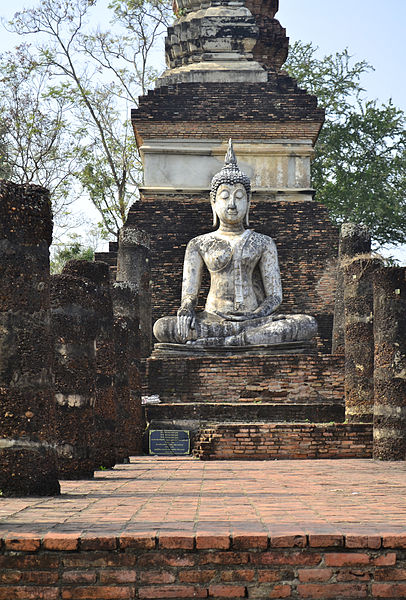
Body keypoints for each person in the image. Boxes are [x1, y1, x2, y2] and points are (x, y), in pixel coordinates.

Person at [153, 140, 317, 347]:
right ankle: (233, 339)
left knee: (306, 324)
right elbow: (189, 294)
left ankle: (229, 342)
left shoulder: (263, 242)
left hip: (254, 321)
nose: (232, 204)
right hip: (212, 319)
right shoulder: (199, 244)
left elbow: (275, 296)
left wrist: (256, 315)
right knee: (162, 327)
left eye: (239, 197)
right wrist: (186, 309)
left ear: (248, 203)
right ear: (213, 203)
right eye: (225, 197)